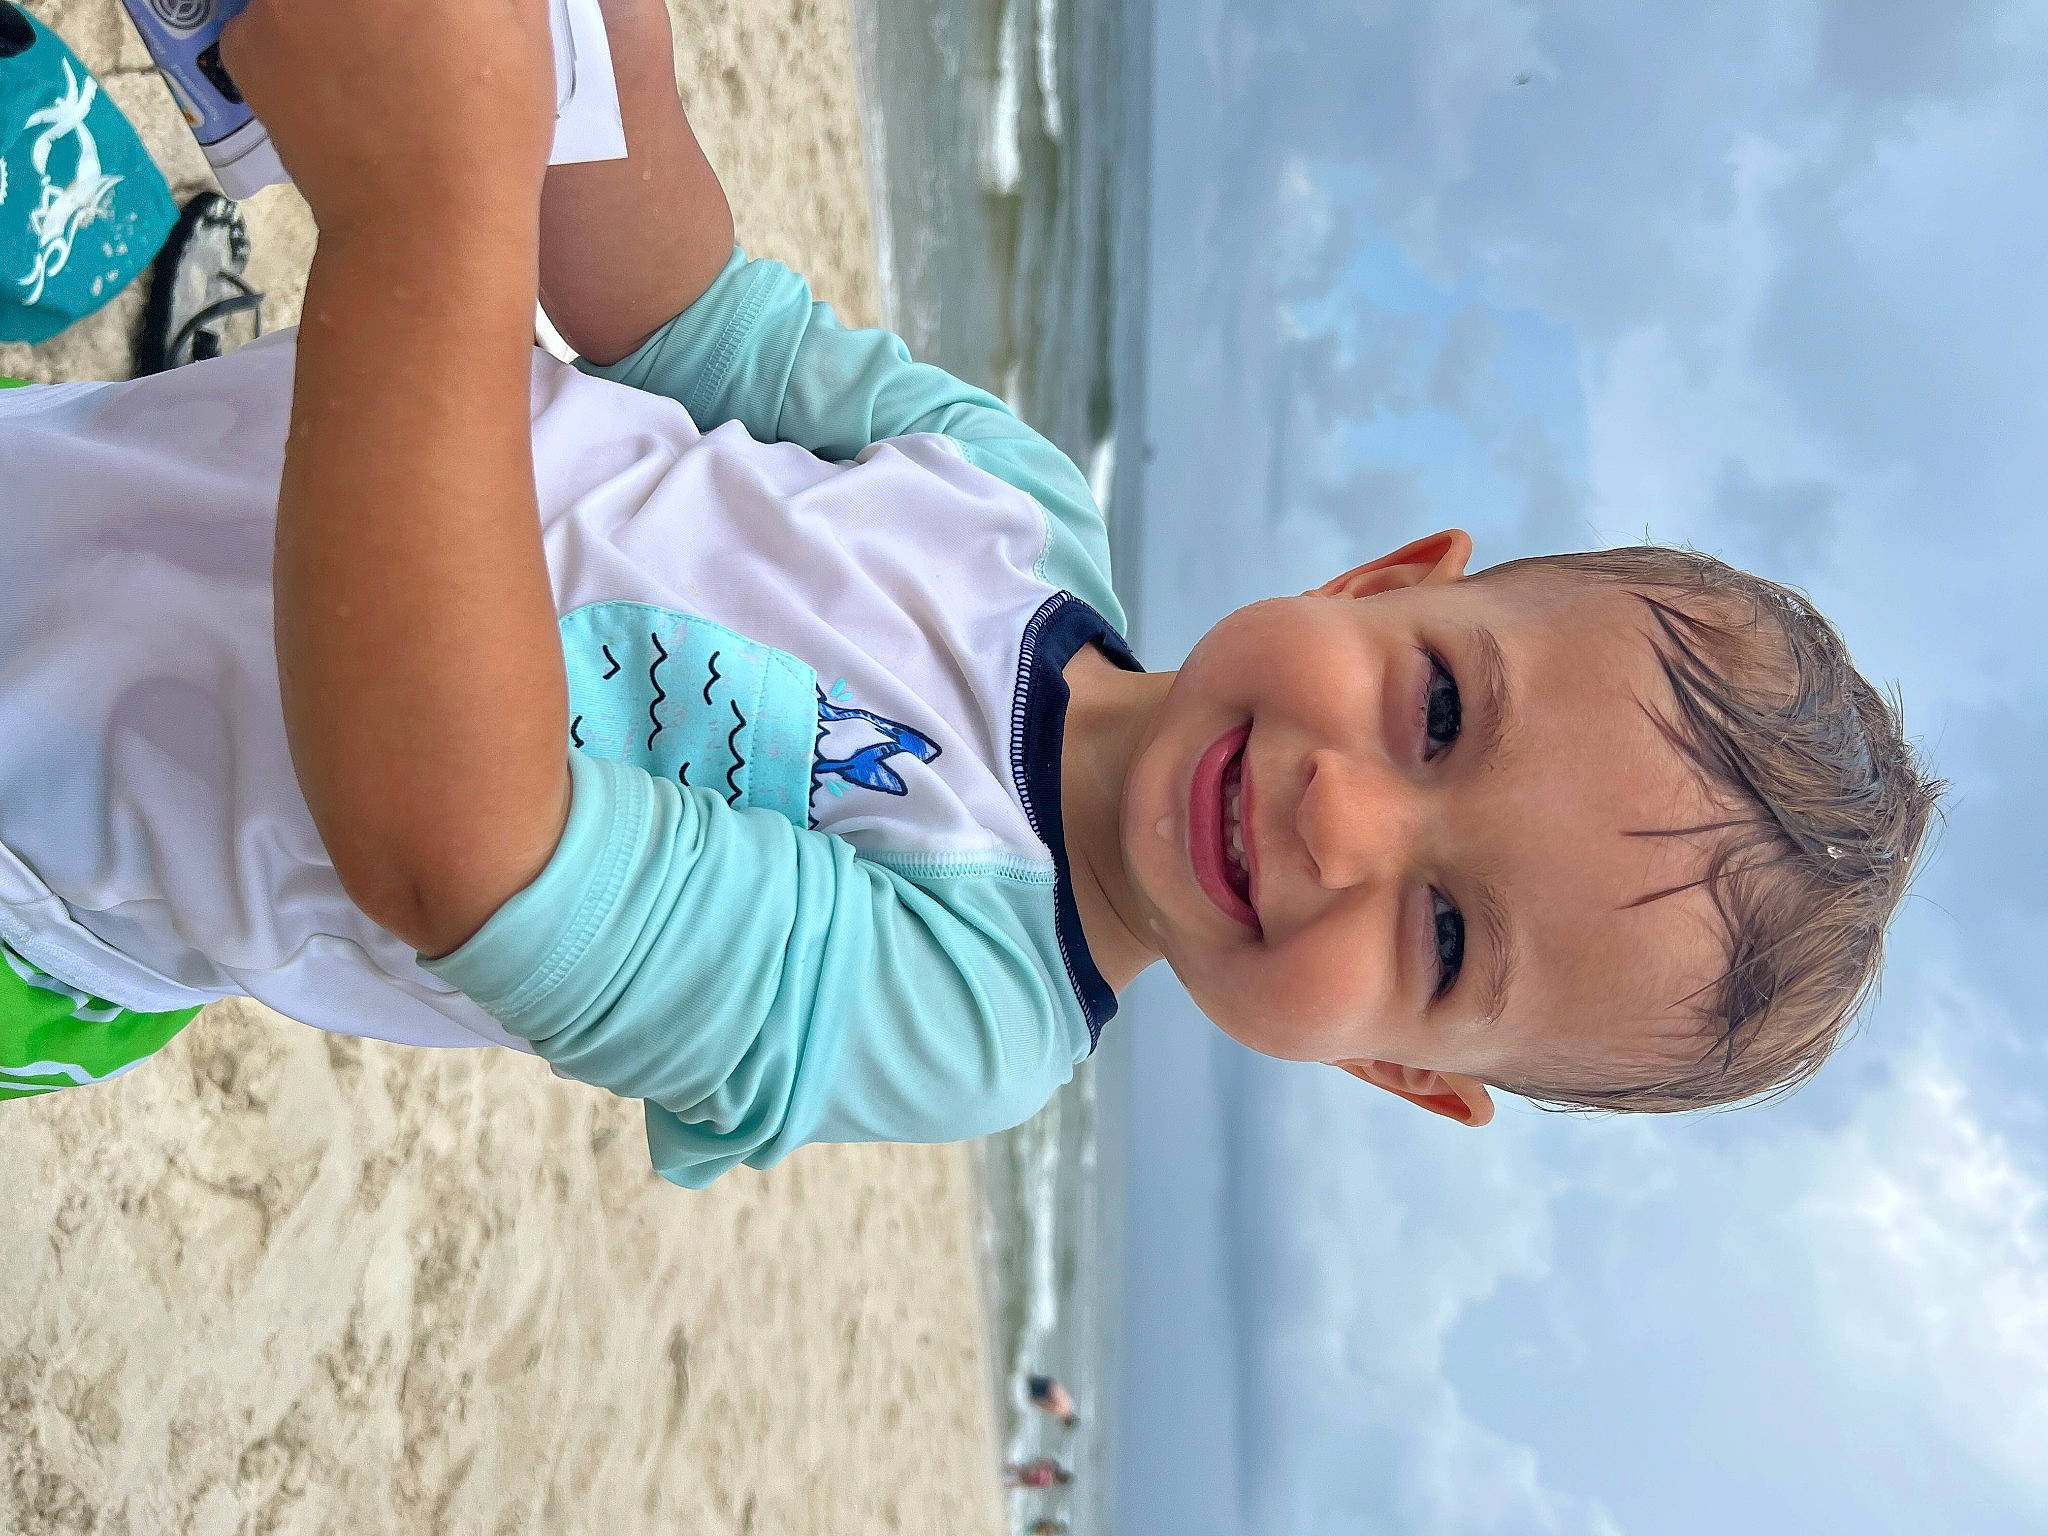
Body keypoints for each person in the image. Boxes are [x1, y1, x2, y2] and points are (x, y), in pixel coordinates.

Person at [0, 0, 1943, 1175]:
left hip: (45, 873)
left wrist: (428, 200)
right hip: (76, 506)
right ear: (1379, 578)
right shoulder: (1004, 503)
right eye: (1437, 710)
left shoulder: (969, 1010)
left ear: (1395, 1070)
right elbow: (668, 296)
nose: (1344, 815)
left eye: (1441, 938)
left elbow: (463, 846)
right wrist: (594, 69)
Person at [1003, 1458, 1074, 1490]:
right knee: (1019, 1483)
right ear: (1059, 1482)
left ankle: (1005, 1466)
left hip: (1030, 1471)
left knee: (1019, 1469)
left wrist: (1034, 1464)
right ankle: (1005, 1484)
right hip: (1029, 1480)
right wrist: (1027, 1485)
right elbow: (1036, 1486)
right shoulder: (1049, 1483)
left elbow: (1040, 1463)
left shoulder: (1052, 1469)